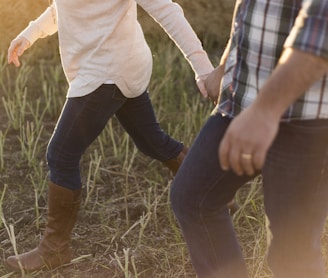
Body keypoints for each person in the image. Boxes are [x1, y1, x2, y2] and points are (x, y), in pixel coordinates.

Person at [5, 0, 217, 272]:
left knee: (60, 154)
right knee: (152, 142)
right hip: (119, 64)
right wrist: (29, 34)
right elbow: (63, 8)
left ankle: (54, 248)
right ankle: (210, 191)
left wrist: (205, 71)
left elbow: (166, 9)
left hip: (106, 71)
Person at [170, 0, 328, 277]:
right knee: (194, 199)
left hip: (309, 119)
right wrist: (225, 64)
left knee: (293, 253)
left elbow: (320, 35)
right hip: (241, 103)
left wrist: (265, 112)